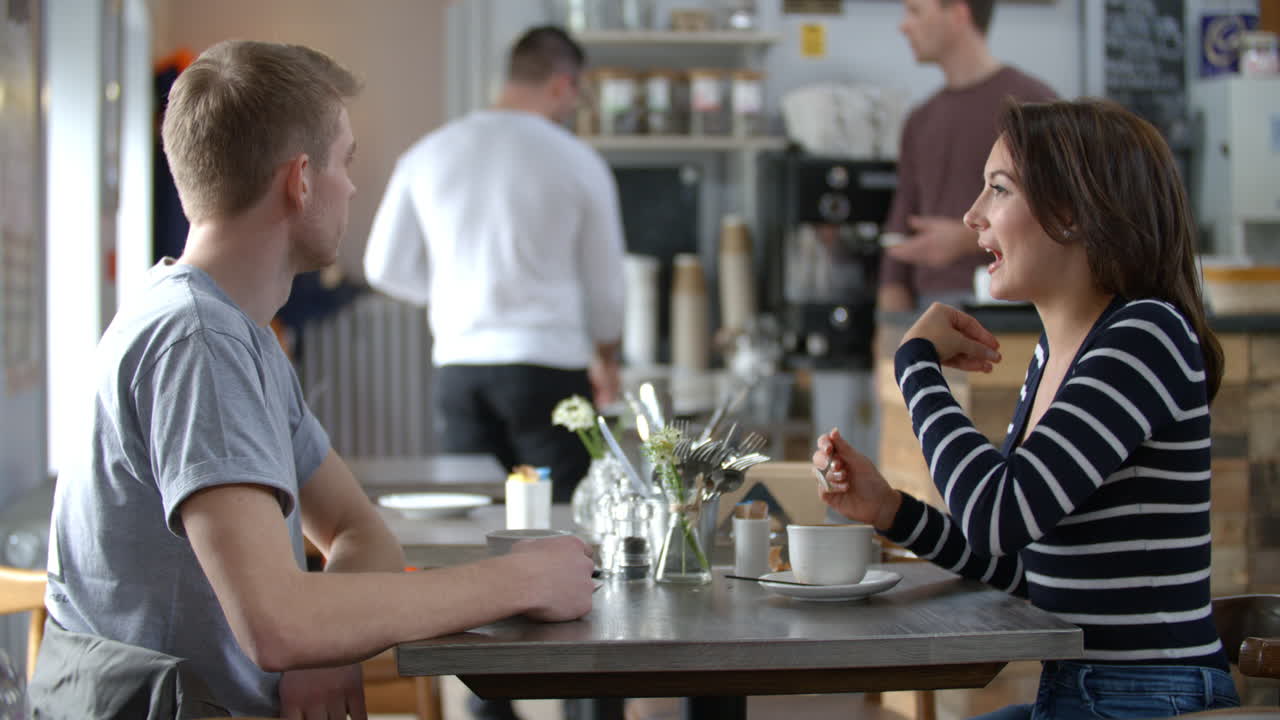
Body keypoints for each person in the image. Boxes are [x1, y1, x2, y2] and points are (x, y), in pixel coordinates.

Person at [36, 40, 595, 720]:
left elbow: (361, 531)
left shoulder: (240, 335)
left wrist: (322, 649)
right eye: (346, 161)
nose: (352, 187)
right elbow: (278, 625)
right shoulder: (200, 342)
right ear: (300, 181)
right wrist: (519, 579)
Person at [814, 99, 1241, 719]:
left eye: (999, 189)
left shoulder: (1144, 336)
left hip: (1150, 699)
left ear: (1073, 211)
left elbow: (996, 517)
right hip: (1085, 693)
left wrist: (916, 365)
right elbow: (1022, 564)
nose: (973, 215)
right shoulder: (1057, 353)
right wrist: (891, 511)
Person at [363, 25, 625, 508]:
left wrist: (451, 294)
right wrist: (607, 356)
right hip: (550, 366)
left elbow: (382, 266)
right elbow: (606, 285)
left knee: (471, 516)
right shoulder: (578, 160)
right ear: (562, 84)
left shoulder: (428, 153)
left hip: (461, 366)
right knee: (561, 520)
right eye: (578, 94)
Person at [878, 0, 1057, 312]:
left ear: (959, 14)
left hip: (1012, 311)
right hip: (930, 309)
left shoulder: (1033, 106)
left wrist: (964, 240)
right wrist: (890, 315)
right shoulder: (920, 119)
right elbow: (900, 224)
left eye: (916, 11)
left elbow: (1058, 215)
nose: (903, 26)